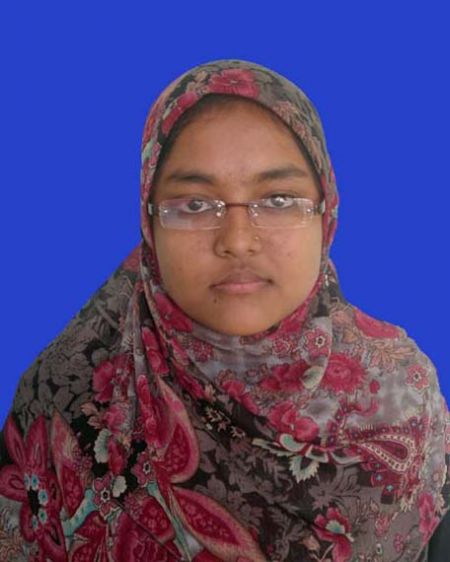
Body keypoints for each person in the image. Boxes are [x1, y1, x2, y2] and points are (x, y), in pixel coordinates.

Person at [0, 59, 448, 562]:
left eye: (278, 199)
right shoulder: (65, 391)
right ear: (149, 222)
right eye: (195, 205)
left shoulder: (402, 395)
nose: (237, 240)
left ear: (326, 212)